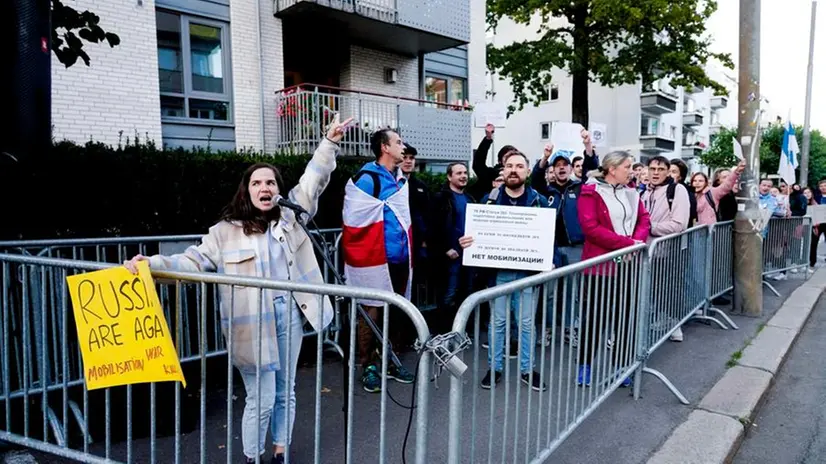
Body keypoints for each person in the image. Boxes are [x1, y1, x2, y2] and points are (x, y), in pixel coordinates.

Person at [123, 115, 353, 464]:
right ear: (247, 191)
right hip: (251, 324)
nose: (265, 188)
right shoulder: (224, 232)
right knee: (260, 398)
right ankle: (252, 457)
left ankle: (280, 452)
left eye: (271, 182)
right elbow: (192, 261)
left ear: (278, 190)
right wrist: (151, 264)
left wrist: (330, 142)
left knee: (285, 391)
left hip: (290, 314)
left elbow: (313, 179)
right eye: (257, 183)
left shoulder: (291, 217)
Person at [460, 150, 551, 392]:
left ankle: (527, 369)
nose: (513, 170)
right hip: (497, 273)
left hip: (527, 274)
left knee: (526, 325)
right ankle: (495, 368)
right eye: (509, 166)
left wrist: (548, 259)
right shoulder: (488, 201)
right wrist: (468, 243)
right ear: (503, 170)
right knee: (498, 323)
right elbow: (476, 235)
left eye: (519, 166)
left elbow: (549, 238)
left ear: (527, 171)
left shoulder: (539, 201)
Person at [342, 127, 416, 394]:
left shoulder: (398, 178)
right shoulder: (367, 179)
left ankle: (390, 360)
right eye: (398, 142)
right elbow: (355, 217)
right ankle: (369, 365)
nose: (403, 146)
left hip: (398, 258)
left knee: (395, 310)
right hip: (375, 258)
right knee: (371, 309)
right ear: (385, 147)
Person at [577, 151, 651, 386]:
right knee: (595, 319)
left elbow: (644, 219)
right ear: (612, 169)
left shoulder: (631, 191)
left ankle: (621, 365)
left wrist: (636, 242)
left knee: (625, 318)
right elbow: (591, 228)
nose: (632, 171)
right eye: (627, 167)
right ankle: (585, 365)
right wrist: (627, 244)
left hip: (628, 266)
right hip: (601, 267)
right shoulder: (590, 192)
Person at [642, 156, 691, 342]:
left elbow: (679, 224)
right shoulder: (644, 192)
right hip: (646, 252)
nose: (656, 173)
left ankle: (674, 324)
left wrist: (649, 228)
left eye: (660, 169)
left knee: (669, 290)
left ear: (667, 171)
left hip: (668, 251)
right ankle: (661, 320)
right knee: (653, 289)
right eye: (652, 169)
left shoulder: (677, 190)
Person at [431, 162, 476, 334]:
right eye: (459, 173)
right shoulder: (440, 198)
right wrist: (446, 248)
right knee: (448, 295)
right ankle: (443, 333)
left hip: (468, 256)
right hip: (450, 257)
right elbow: (433, 227)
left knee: (467, 294)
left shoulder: (470, 199)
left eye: (465, 173)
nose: (463, 176)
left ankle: (461, 332)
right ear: (449, 177)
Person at [690, 161, 745, 225]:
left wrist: (736, 172)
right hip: (699, 229)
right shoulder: (691, 195)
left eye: (701, 181)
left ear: (706, 183)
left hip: (712, 229)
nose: (697, 183)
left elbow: (726, 186)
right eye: (695, 181)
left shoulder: (712, 192)